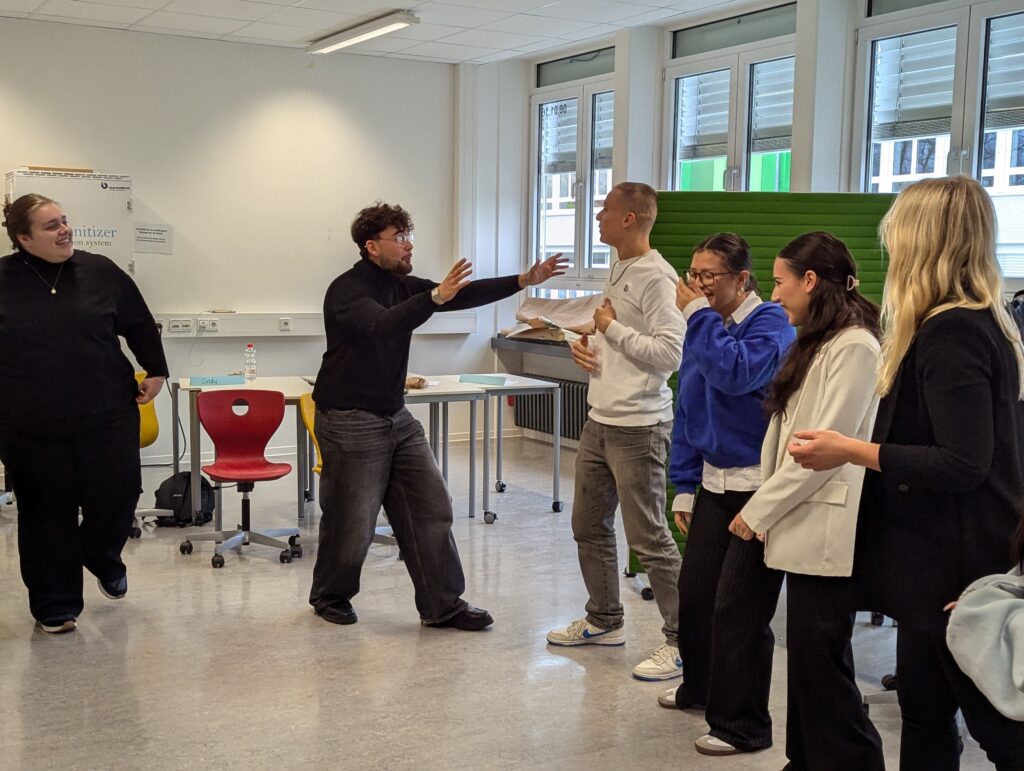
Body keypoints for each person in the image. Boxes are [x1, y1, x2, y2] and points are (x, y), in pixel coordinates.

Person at [789, 176, 1024, 770]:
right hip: (949, 556)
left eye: (896, 233)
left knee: (980, 725)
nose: (889, 246)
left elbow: (963, 462)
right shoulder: (978, 322)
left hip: (957, 562)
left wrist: (852, 450)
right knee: (925, 707)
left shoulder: (953, 331)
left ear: (923, 240)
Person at [309, 201, 567, 630]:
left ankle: (442, 604)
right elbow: (382, 325)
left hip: (395, 416)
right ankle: (329, 595)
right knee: (353, 521)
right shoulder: (347, 291)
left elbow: (461, 294)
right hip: (350, 418)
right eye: (399, 238)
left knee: (431, 507)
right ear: (371, 246)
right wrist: (433, 297)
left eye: (409, 235)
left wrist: (523, 280)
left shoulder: (402, 285)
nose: (409, 245)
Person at [726, 232, 885, 769]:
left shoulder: (855, 346)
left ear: (811, 281)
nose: (774, 295)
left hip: (824, 524)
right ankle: (806, 759)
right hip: (800, 517)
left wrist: (757, 510)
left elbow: (825, 452)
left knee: (823, 663)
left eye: (780, 282)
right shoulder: (820, 340)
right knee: (809, 660)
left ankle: (855, 761)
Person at [0, 193, 168, 634]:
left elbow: (139, 323)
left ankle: (101, 555)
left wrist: (156, 371)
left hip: (108, 412)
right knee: (45, 513)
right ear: (23, 238)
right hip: (30, 424)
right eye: (51, 225)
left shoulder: (99, 270)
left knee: (119, 494)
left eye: (64, 220)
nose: (65, 230)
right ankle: (55, 605)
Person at [662, 233, 796, 756]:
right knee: (695, 596)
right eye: (693, 275)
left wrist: (697, 315)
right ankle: (701, 689)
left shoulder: (771, 323)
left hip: (758, 489)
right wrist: (684, 485)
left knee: (739, 609)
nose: (697, 285)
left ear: (742, 279)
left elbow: (735, 373)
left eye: (708, 276)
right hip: (714, 484)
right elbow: (689, 404)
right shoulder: (705, 324)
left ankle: (745, 726)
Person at [546, 182, 685, 681]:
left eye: (605, 209)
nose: (597, 216)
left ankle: (684, 641)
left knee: (649, 539)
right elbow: (618, 337)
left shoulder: (657, 276)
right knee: (587, 525)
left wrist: (609, 330)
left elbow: (670, 354)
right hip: (599, 418)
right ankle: (604, 621)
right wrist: (588, 346)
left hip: (639, 426)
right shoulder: (619, 266)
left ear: (630, 218)